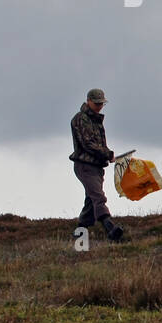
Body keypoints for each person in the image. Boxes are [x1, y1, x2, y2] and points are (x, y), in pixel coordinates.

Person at [69, 88, 125, 241]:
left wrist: (108, 155)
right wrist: (108, 154)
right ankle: (110, 228)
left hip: (97, 166)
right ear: (88, 101)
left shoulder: (96, 120)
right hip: (85, 166)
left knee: (91, 200)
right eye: (97, 103)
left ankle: (80, 234)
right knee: (98, 197)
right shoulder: (80, 119)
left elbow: (99, 145)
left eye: (102, 104)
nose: (100, 106)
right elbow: (88, 144)